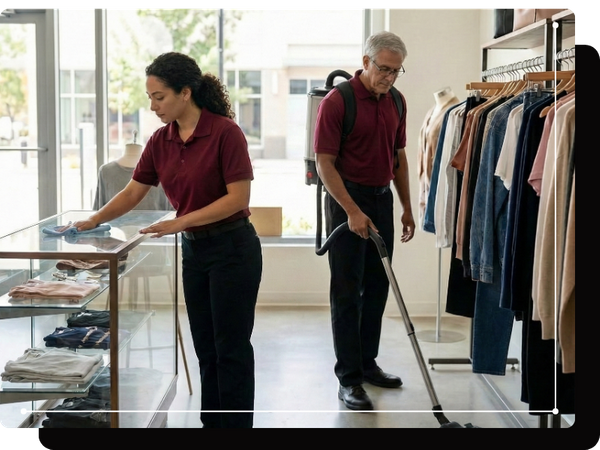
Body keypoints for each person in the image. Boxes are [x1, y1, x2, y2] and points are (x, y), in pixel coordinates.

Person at [69, 51, 263, 428]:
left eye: (159, 97)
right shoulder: (161, 140)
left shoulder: (225, 133)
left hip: (233, 249)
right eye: (150, 98)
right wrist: (91, 220)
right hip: (196, 251)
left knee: (231, 349)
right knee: (205, 348)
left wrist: (179, 221)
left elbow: (238, 199)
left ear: (185, 92)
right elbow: (131, 193)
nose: (153, 106)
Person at [314, 31, 415, 411]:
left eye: (395, 71)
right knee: (346, 292)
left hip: (381, 198)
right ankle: (349, 379)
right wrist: (352, 211)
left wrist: (406, 206)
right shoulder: (337, 102)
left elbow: (398, 156)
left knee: (377, 286)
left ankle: (368, 363)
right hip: (345, 202)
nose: (388, 77)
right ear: (366, 62)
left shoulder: (397, 102)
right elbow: (325, 163)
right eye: (383, 68)